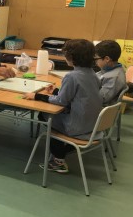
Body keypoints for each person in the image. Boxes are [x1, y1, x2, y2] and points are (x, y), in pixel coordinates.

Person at [24, 39, 102, 174]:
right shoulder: (93, 74)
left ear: (70, 57)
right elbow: (77, 94)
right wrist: (56, 91)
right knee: (55, 116)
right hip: (92, 125)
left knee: (45, 116)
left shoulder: (72, 76)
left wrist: (37, 96)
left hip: (76, 127)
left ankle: (58, 159)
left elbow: (61, 101)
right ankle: (64, 150)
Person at [94, 40, 126, 105]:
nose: (95, 62)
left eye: (96, 59)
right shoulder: (111, 69)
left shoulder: (114, 77)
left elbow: (101, 99)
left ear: (107, 59)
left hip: (98, 107)